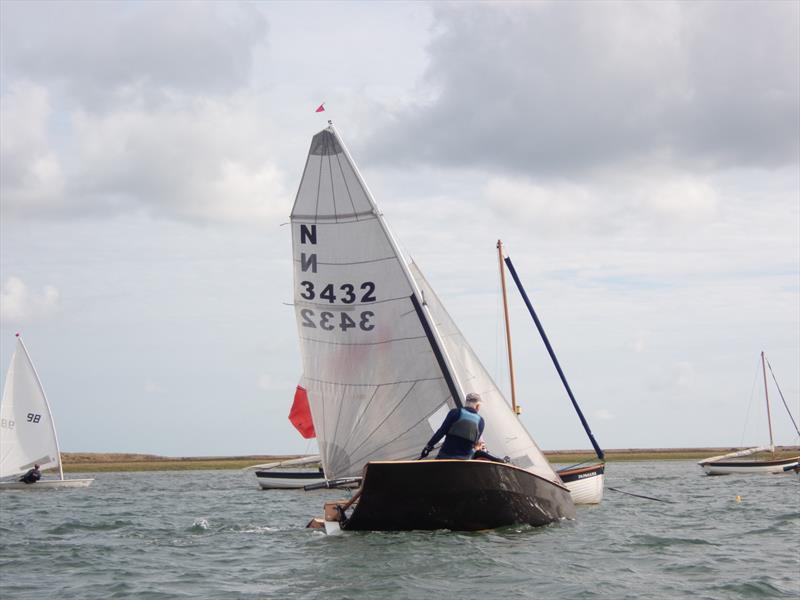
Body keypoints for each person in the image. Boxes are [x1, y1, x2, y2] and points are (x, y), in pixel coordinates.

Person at [421, 393, 489, 460]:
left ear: (466, 403)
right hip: (464, 460)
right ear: (478, 406)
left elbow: (441, 432)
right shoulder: (481, 421)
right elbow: (475, 443)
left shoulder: (454, 412)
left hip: (445, 456)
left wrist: (428, 447)